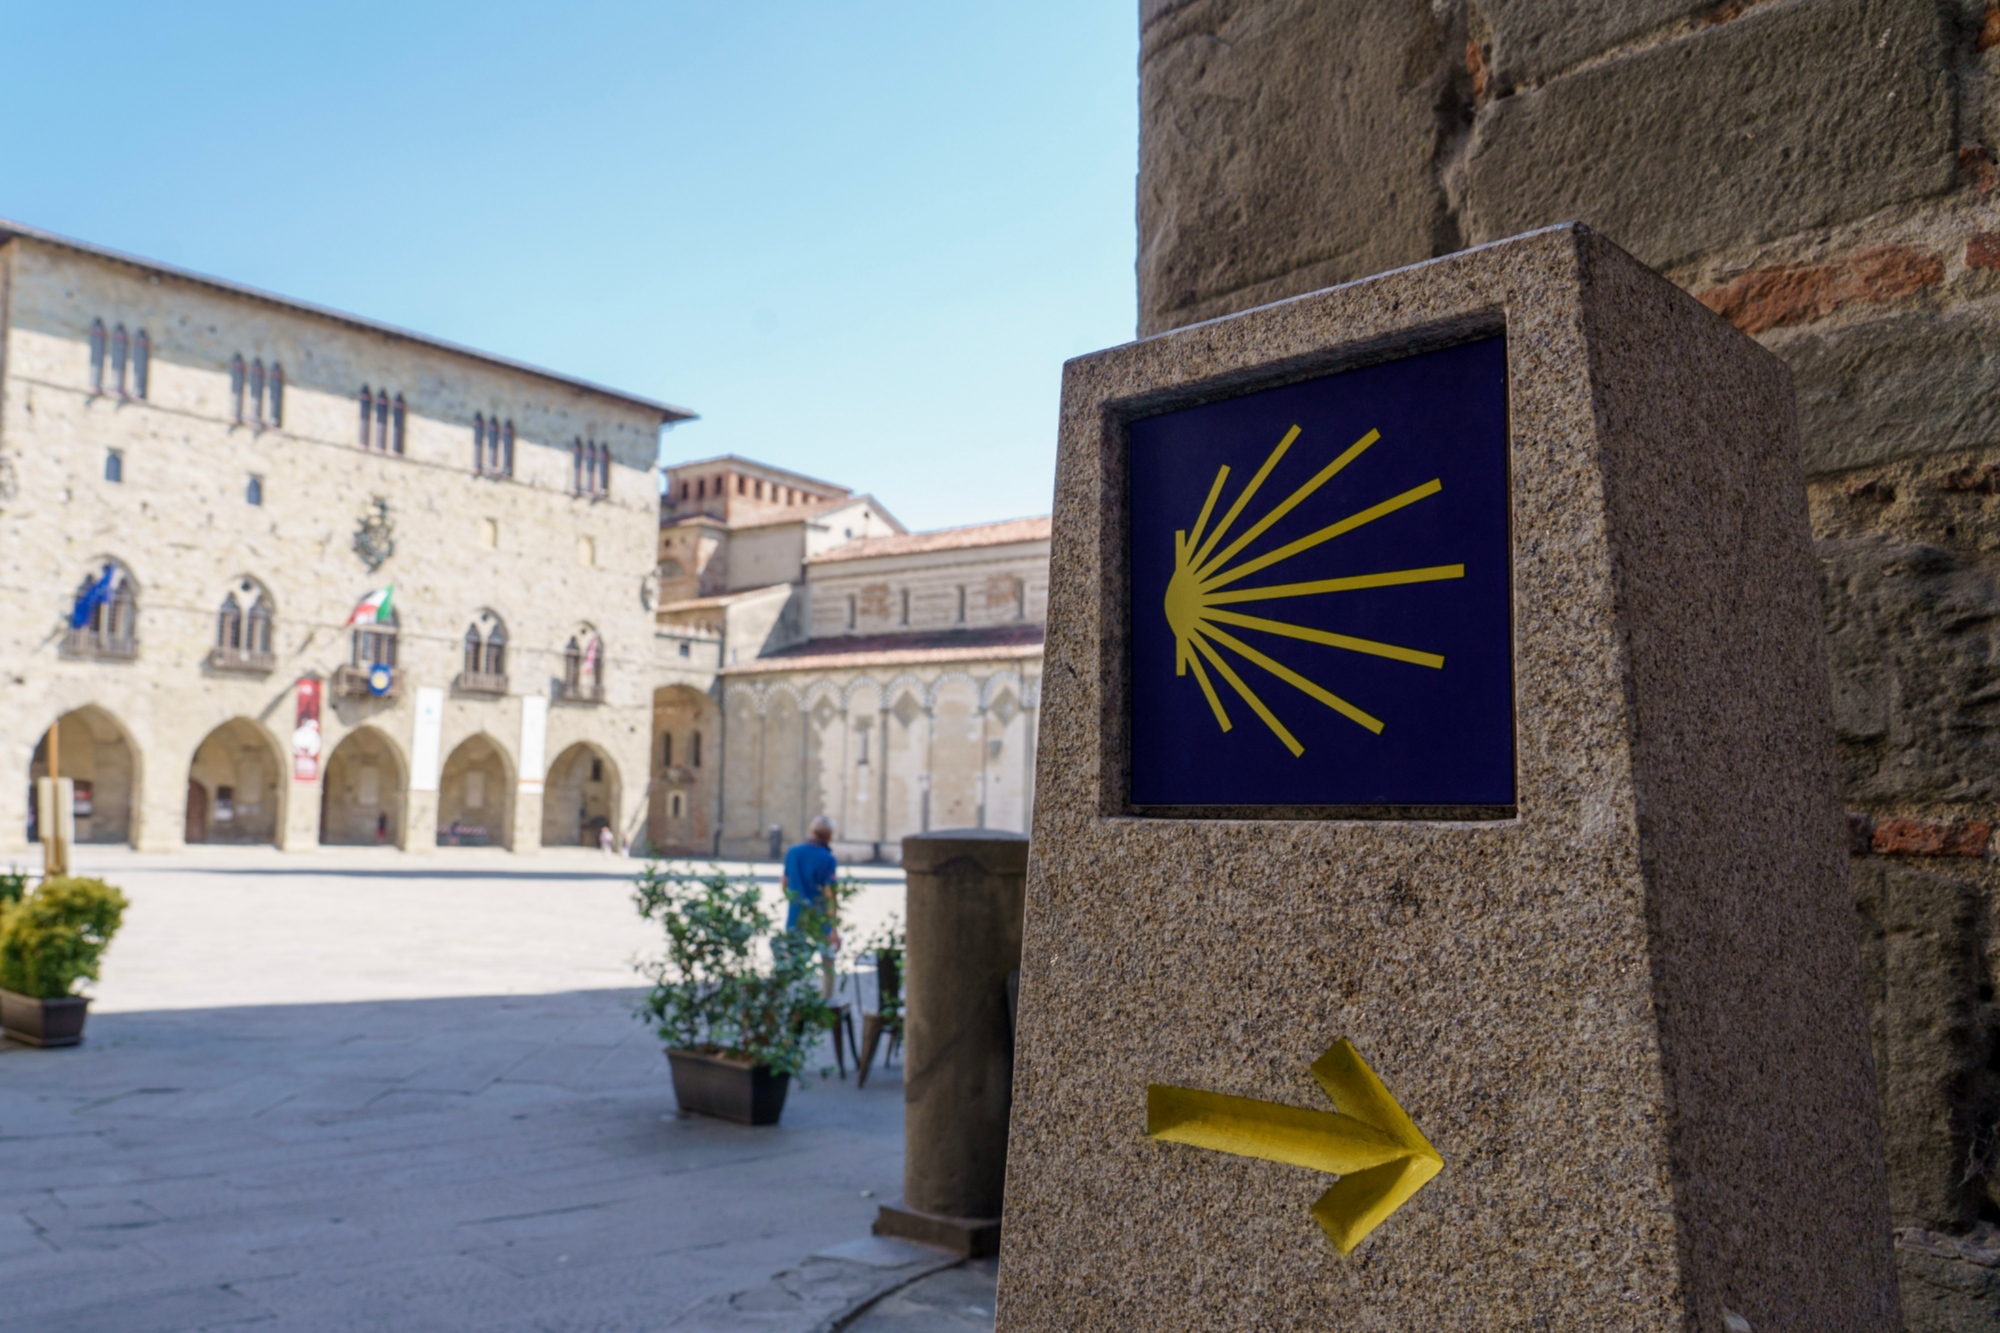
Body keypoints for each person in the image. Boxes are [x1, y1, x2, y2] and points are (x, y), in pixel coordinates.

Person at [783, 815, 842, 998]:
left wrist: (795, 902)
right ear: (829, 835)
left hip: (796, 915)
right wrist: (833, 928)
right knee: (827, 960)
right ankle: (826, 1000)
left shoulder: (793, 852)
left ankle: (792, 997)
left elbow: (784, 884)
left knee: (793, 960)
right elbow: (830, 895)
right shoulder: (827, 859)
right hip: (819, 917)